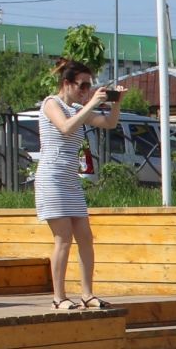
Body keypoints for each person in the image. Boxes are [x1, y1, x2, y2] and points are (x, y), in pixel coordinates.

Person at [38, 58, 122, 311]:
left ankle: (87, 293)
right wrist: (92, 104)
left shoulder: (78, 109)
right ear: (67, 83)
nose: (86, 91)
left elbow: (109, 123)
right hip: (51, 178)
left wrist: (115, 104)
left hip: (70, 179)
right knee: (63, 238)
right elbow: (65, 127)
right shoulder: (52, 103)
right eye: (82, 86)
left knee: (85, 237)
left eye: (89, 86)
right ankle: (59, 297)